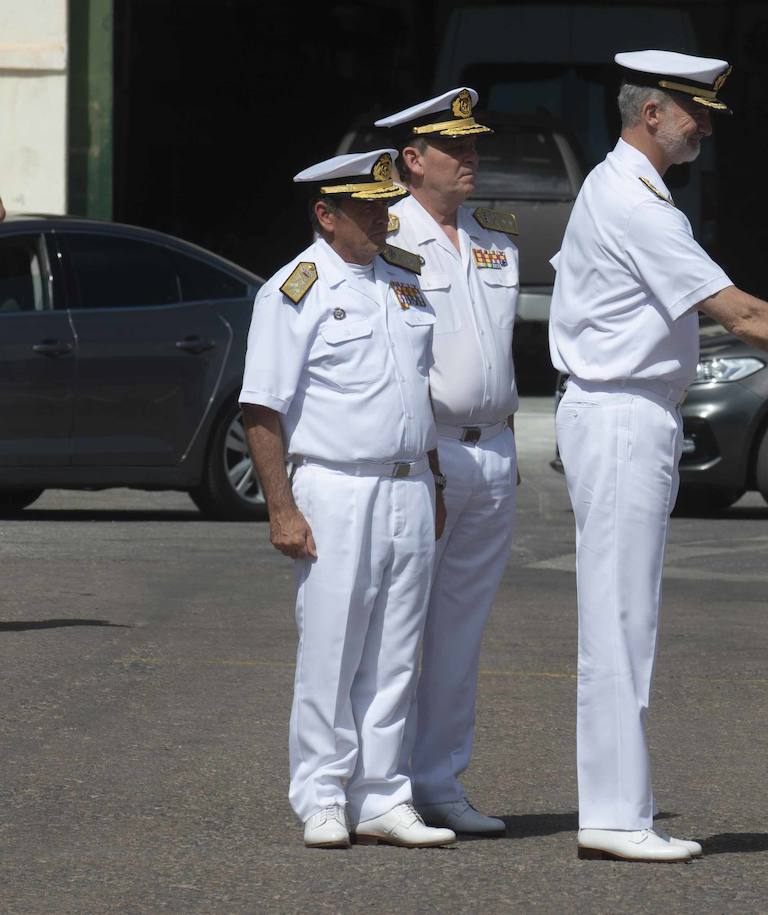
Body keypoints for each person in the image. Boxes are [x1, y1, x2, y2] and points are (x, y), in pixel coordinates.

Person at [550, 49, 768, 862]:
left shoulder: (624, 190)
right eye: (693, 111)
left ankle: (616, 807)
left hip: (625, 410)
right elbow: (739, 312)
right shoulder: (637, 203)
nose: (703, 125)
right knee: (620, 617)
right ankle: (613, 814)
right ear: (651, 114)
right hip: (621, 413)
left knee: (621, 614)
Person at [239, 149, 456, 849]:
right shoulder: (294, 290)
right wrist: (281, 507)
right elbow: (262, 410)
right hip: (335, 484)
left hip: (409, 484)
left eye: (383, 202)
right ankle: (323, 792)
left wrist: (435, 478)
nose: (380, 213)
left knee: (396, 652)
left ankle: (383, 794)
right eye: (363, 205)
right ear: (325, 215)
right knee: (332, 647)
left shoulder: (404, 280)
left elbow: (414, 390)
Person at [374, 86, 517, 839]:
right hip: (425, 458)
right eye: (453, 148)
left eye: (472, 146)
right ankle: (384, 784)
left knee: (460, 637)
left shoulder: (494, 239)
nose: (470, 159)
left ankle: (439, 779)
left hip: (492, 453)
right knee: (398, 629)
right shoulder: (385, 241)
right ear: (411, 160)